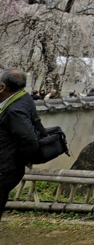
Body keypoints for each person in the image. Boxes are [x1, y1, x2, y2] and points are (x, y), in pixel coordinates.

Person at [0, 69, 45, 221]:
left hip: (5, 168)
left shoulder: (15, 110)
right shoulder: (23, 98)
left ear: (2, 87)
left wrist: (24, 159)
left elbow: (29, 139)